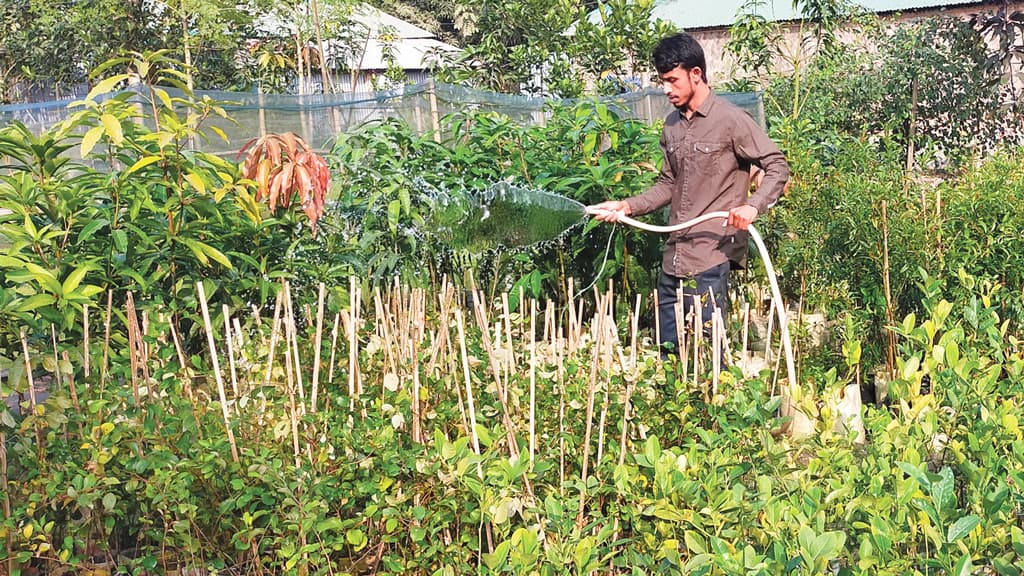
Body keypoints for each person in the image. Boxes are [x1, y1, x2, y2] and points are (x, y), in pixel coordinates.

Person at [589, 32, 789, 359]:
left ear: (696, 74)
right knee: (670, 354)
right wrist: (626, 206)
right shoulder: (671, 126)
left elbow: (777, 165)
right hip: (674, 256)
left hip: (711, 254)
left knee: (705, 358)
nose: (667, 89)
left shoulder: (731, 120)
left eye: (672, 80)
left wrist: (752, 207)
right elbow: (668, 184)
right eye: (663, 81)